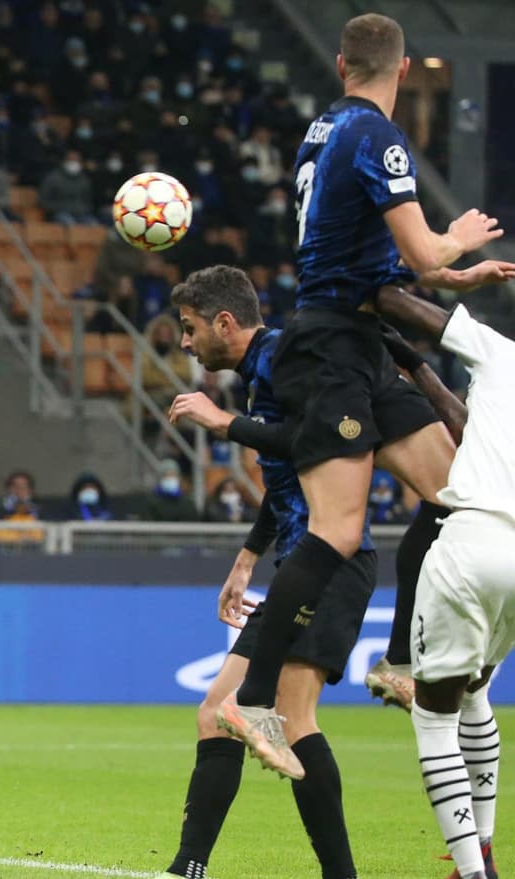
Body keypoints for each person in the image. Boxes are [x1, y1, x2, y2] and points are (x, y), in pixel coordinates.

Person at [214, 13, 515, 774]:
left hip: (363, 336)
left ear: (343, 65)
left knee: (456, 493)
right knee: (338, 530)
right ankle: (253, 701)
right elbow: (418, 249)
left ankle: (394, 660)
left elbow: (383, 260)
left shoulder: (322, 132)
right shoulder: (377, 137)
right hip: (333, 349)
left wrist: (455, 277)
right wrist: (459, 240)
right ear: (404, 68)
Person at [163, 267, 467, 877]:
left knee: (293, 719)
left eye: (191, 328)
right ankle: (187, 869)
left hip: (334, 563)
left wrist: (226, 423)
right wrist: (249, 557)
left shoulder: (289, 358)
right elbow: (288, 475)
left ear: (226, 322)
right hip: (303, 559)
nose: (186, 343)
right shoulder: (266, 371)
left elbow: (315, 441)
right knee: (215, 714)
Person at [373, 284, 506, 879]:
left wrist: (368, 285)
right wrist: (417, 367)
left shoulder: (504, 355)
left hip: (474, 540)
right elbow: (468, 426)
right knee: (475, 690)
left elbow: (431, 314)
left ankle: (471, 873)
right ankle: (483, 849)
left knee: (433, 713)